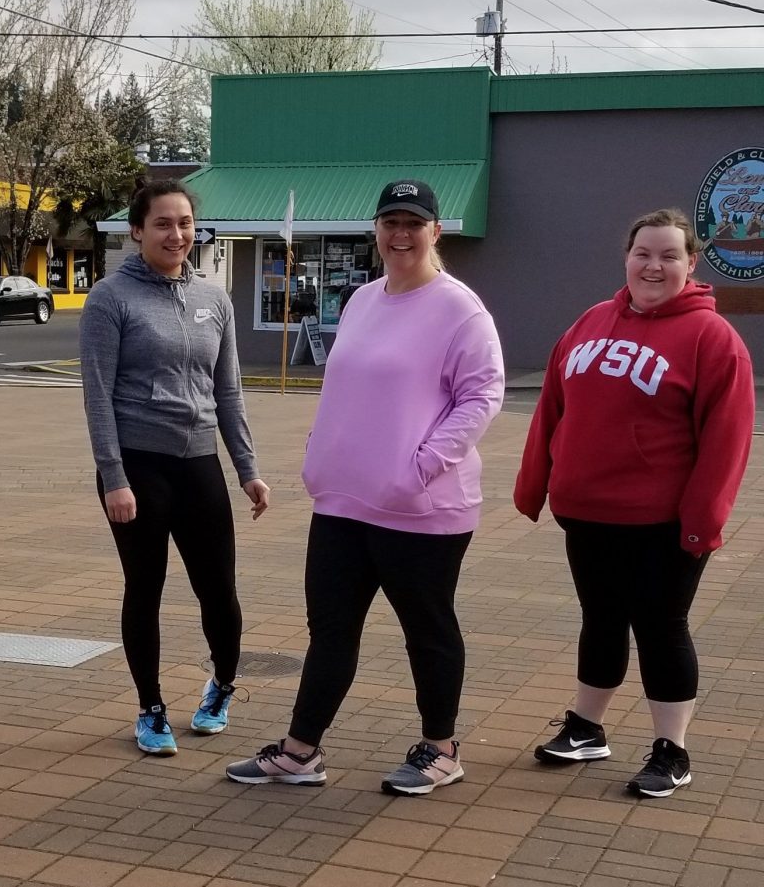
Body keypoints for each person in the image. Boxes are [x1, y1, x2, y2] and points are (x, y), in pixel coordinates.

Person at [226, 179, 504, 795]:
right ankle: (300, 752)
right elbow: (345, 390)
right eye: (389, 222)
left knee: (426, 630)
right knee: (330, 631)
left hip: (421, 508)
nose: (400, 234)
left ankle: (441, 748)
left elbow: (482, 395)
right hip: (344, 502)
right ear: (376, 230)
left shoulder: (460, 309)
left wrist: (424, 463)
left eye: (414, 223)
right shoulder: (361, 300)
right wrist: (319, 452)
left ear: (436, 231)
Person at [514, 208, 754, 798]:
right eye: (644, 253)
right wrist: (534, 484)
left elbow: (727, 441)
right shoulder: (592, 321)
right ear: (627, 257)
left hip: (664, 525)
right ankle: (587, 727)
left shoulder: (712, 338)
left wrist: (703, 523)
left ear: (691, 264)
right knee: (600, 621)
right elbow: (552, 406)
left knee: (660, 628)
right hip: (589, 515)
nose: (654, 265)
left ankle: (672, 750)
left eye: (669, 255)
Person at [80, 179, 270, 757]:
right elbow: (98, 395)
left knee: (220, 592)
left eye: (185, 223)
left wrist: (247, 468)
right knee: (146, 589)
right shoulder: (110, 299)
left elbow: (228, 391)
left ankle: (222, 686)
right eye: (163, 223)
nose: (176, 234)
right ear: (137, 230)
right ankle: (151, 707)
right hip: (138, 469)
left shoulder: (215, 300)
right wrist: (114, 478)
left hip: (199, 466)